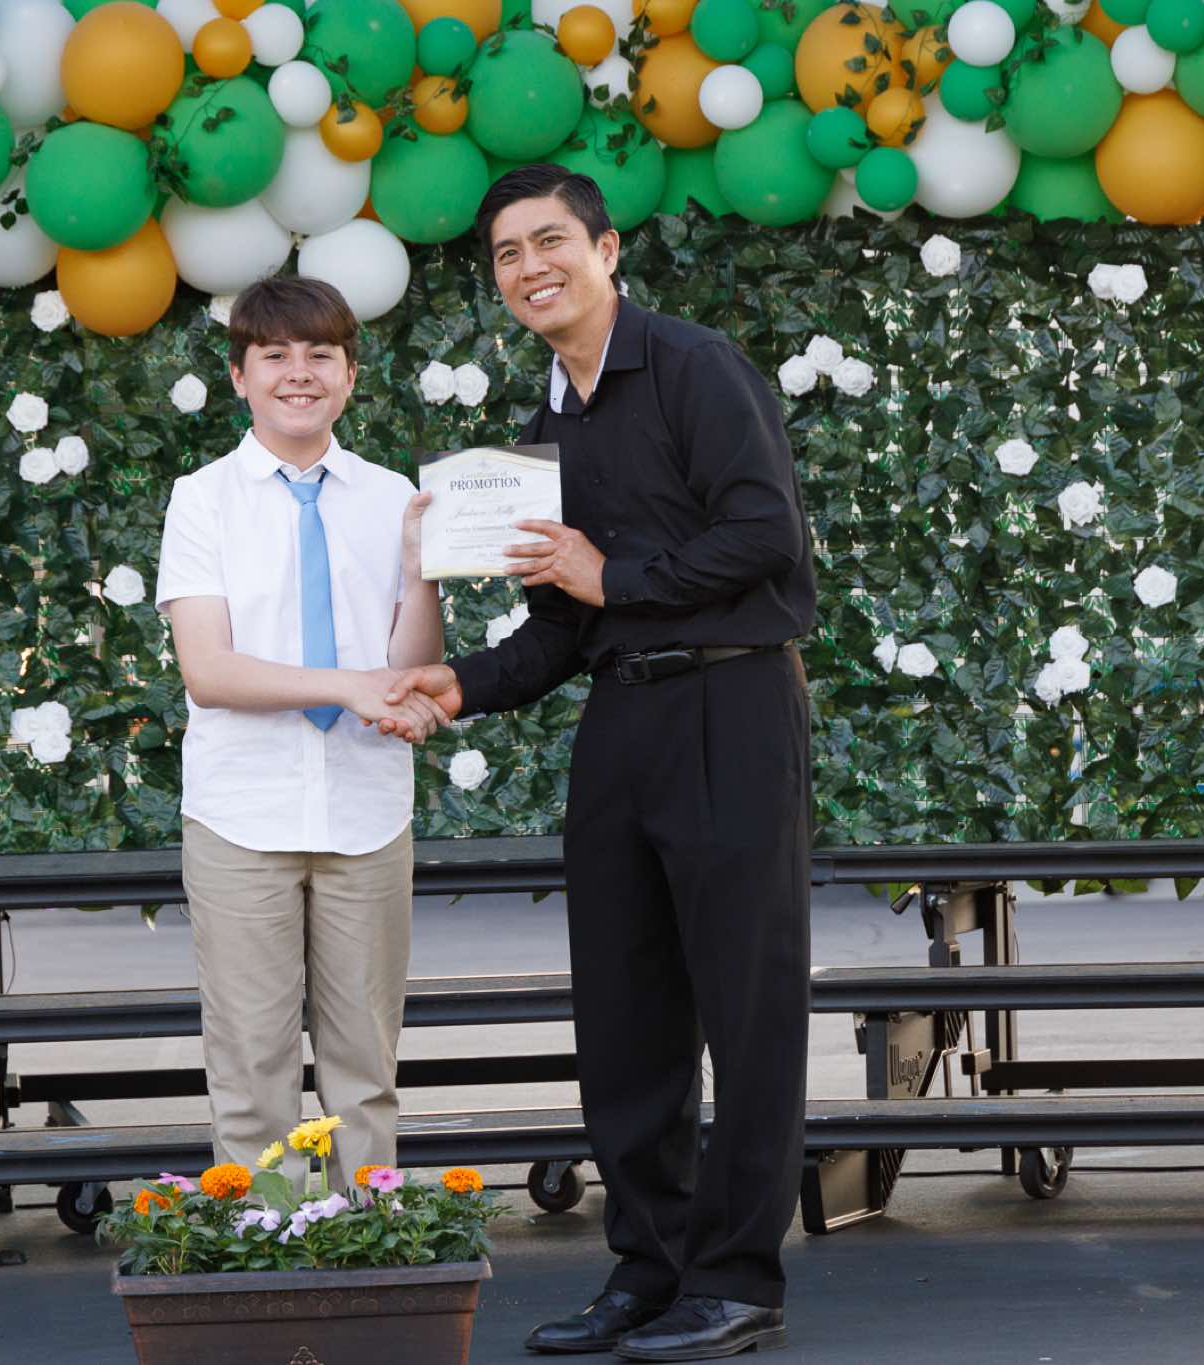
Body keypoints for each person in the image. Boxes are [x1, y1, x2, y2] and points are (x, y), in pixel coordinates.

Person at [383, 165, 816, 1362]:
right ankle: (649, 1269)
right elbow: (560, 627)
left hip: (731, 701)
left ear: (606, 249)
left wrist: (611, 574)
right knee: (624, 1013)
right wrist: (459, 685)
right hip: (620, 720)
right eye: (506, 254)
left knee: (747, 1006)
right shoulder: (542, 432)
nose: (530, 267)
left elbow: (764, 534)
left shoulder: (693, 366)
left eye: (550, 241)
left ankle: (735, 1281)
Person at [155, 275, 449, 1189]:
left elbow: (410, 668)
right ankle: (267, 1247)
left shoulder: (394, 497)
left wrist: (421, 575)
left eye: (321, 354)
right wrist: (350, 686)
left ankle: (373, 1247)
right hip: (242, 817)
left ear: (350, 375)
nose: (299, 373)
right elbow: (209, 670)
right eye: (275, 355)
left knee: (367, 1074)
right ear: (239, 376)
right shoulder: (203, 499)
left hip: (368, 812)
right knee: (253, 1075)